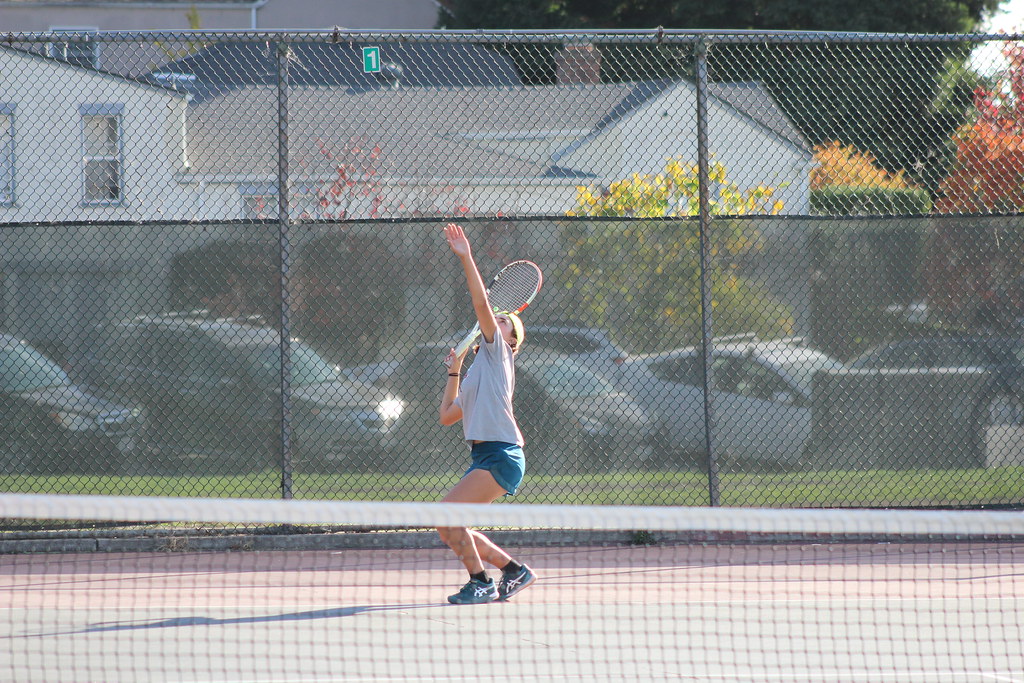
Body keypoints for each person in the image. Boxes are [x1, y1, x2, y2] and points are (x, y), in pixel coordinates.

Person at [436, 222, 537, 605]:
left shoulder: (499, 355)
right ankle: (513, 571)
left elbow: (481, 304)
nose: (496, 321)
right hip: (486, 454)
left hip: (503, 453)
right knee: (450, 526)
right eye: (497, 319)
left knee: (447, 515)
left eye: (503, 322)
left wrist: (467, 257)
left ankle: (481, 582)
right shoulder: (479, 373)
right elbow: (447, 415)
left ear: (511, 341)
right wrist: (454, 369)